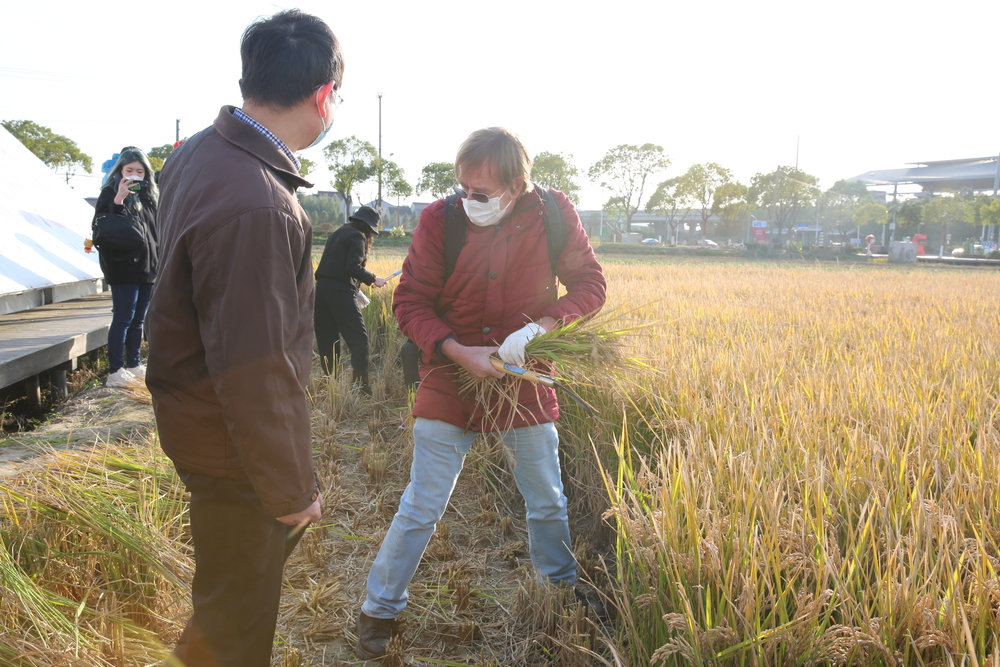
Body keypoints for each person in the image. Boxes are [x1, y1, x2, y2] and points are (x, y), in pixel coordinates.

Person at [356, 127, 607, 659]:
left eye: (483, 192)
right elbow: (410, 303)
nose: (469, 200)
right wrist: (453, 349)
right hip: (452, 375)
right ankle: (379, 609)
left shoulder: (554, 215)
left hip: (523, 376)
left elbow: (590, 286)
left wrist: (541, 326)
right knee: (422, 503)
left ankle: (559, 590)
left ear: (517, 186)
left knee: (546, 498)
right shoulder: (440, 220)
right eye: (463, 187)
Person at [144, 10, 344, 667]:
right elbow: (253, 367)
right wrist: (291, 490)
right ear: (323, 96)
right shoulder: (258, 201)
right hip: (235, 454)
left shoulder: (200, 152)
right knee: (235, 631)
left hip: (201, 427)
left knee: (223, 608)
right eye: (335, 96)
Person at [91, 147, 159, 388]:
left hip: (148, 266)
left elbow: (155, 231)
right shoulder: (110, 192)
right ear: (120, 170)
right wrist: (119, 199)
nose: (134, 175)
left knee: (139, 319)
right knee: (123, 317)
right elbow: (103, 227)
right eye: (129, 170)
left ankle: (133, 364)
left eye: (140, 171)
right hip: (122, 266)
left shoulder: (150, 195)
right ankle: (115, 370)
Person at [314, 205, 388, 393]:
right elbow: (352, 267)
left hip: (321, 291)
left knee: (328, 339)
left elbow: (337, 266)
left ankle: (331, 382)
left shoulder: (339, 232)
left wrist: (356, 288)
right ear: (367, 227)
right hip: (340, 291)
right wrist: (373, 279)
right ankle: (361, 386)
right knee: (359, 340)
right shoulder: (358, 236)